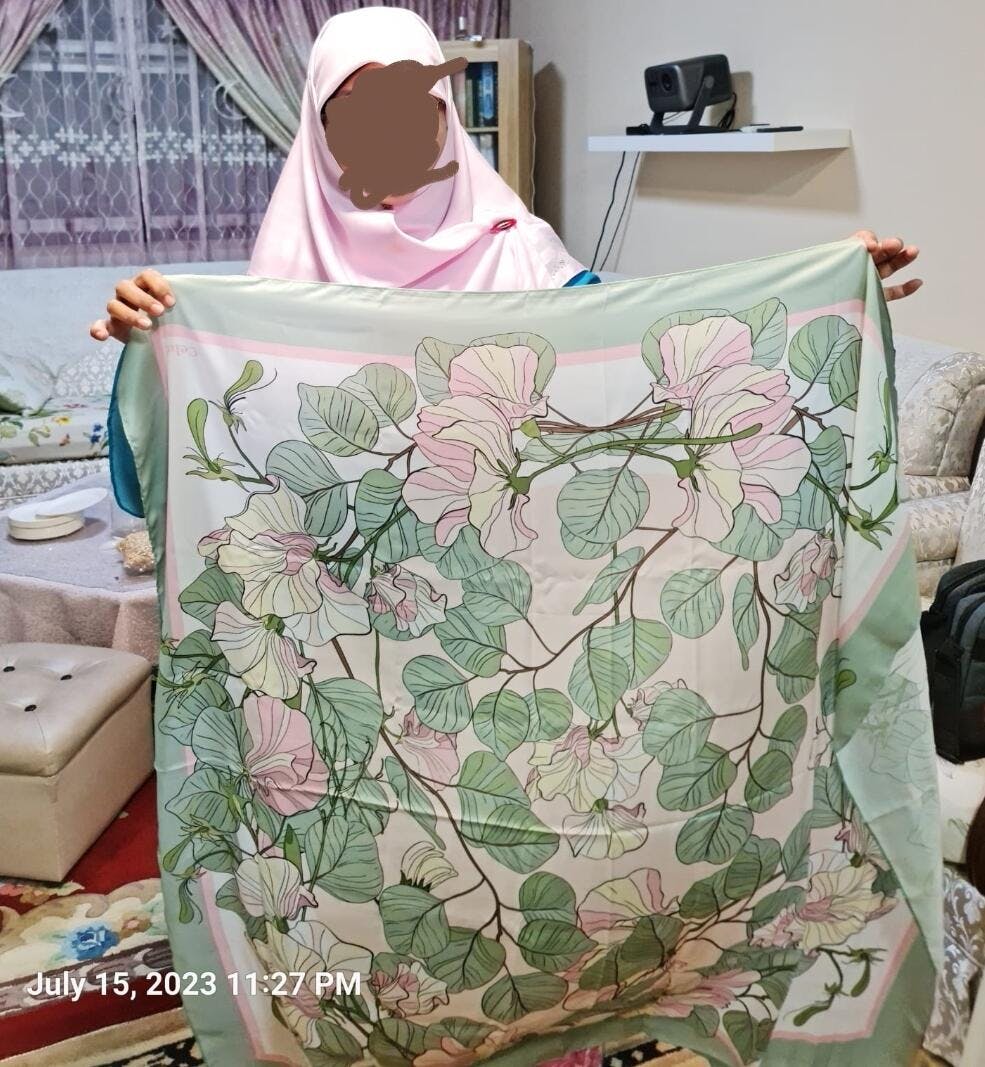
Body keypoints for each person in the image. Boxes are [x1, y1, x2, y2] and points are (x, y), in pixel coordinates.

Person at [88, 8, 921, 346]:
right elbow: (205, 444)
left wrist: (819, 295)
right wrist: (151, 346)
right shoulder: (276, 280)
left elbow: (653, 341)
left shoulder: (519, 253)